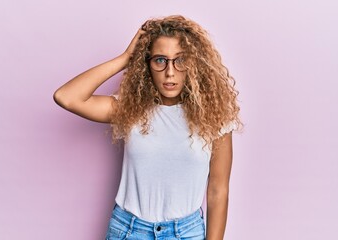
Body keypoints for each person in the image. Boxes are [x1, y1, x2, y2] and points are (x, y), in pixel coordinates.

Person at [54, 15, 241, 240]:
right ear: (147, 63)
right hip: (129, 230)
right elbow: (66, 97)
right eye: (160, 60)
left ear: (194, 63)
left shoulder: (214, 117)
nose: (170, 72)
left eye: (180, 60)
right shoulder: (130, 109)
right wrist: (125, 58)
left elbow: (218, 191)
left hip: (187, 233)